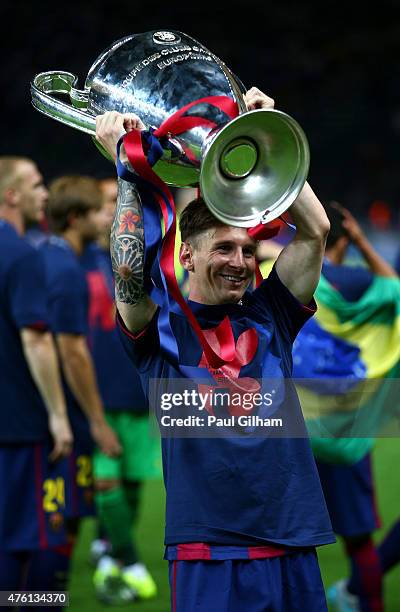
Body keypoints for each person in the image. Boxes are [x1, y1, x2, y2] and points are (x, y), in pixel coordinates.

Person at [95, 87, 336, 611]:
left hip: (293, 538)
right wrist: (127, 173)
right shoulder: (159, 331)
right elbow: (129, 269)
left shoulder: (271, 311)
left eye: (248, 250)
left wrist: (267, 140)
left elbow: (316, 230)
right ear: (186, 254)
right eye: (224, 248)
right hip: (209, 549)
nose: (240, 261)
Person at [292, 202, 399, 612]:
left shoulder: (290, 282)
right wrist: (362, 243)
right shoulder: (356, 283)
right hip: (346, 435)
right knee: (358, 540)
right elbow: (394, 291)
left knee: (289, 537)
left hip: (295, 430)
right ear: (344, 240)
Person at [81, 177, 160, 603]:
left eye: (119, 201)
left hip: (138, 384)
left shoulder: (150, 258)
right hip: (98, 388)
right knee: (107, 482)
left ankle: (109, 551)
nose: (115, 208)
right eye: (108, 201)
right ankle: (128, 559)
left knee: (132, 482)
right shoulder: (83, 261)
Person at [40, 175, 121, 582]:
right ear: (75, 218)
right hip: (64, 416)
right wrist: (97, 420)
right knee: (59, 522)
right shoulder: (67, 269)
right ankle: (42, 602)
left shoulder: (45, 258)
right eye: (96, 213)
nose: (105, 220)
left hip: (44, 412)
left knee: (50, 523)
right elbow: (72, 352)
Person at [0, 156, 73, 595]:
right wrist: (58, 416)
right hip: (17, 424)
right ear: (12, 194)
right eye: (36, 184)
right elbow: (37, 339)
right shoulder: (22, 255)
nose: (44, 194)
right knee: (25, 539)